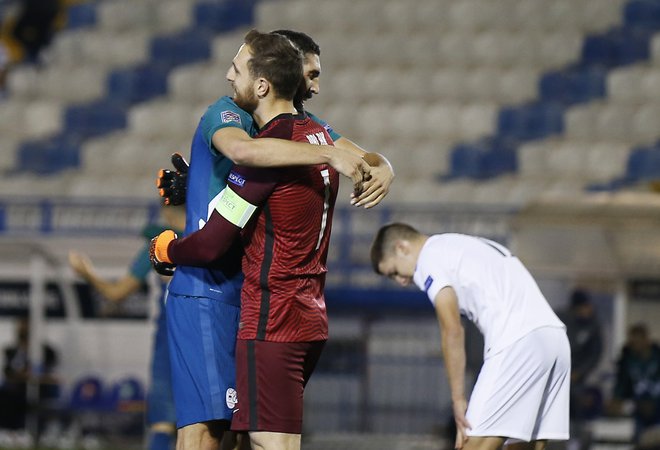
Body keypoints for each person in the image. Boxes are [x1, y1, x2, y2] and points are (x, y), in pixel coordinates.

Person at [153, 28, 394, 450]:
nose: (315, 85)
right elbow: (245, 154)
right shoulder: (229, 115)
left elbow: (360, 157)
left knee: (249, 435)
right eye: (311, 73)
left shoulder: (299, 133)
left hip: (259, 301)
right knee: (209, 435)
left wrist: (385, 166)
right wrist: (331, 155)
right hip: (210, 294)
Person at [369, 223, 570, 450]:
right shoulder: (461, 245)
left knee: (470, 444)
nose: (402, 281)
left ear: (402, 248)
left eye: (394, 272)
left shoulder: (429, 257)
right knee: (523, 446)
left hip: (519, 341)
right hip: (555, 340)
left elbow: (452, 329)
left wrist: (457, 399)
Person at [68, 202, 185, 450]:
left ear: (166, 208)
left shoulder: (159, 242)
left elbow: (117, 292)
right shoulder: (212, 236)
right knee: (212, 422)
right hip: (210, 331)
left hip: (171, 334)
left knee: (163, 422)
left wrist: (87, 273)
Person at [0, 317, 60, 434]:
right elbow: (8, 372)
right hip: (14, 390)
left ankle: (17, 431)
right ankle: (9, 431)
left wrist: (25, 374)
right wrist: (21, 374)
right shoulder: (11, 351)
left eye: (25, 326)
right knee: (5, 398)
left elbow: (48, 373)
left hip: (39, 389)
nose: (22, 329)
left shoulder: (46, 351)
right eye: (21, 326)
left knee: (11, 399)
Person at [609, 323, 660, 444]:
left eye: (638, 341)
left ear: (646, 340)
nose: (635, 345)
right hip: (639, 408)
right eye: (632, 341)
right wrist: (617, 399)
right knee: (640, 440)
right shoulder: (627, 360)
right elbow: (622, 383)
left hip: (658, 406)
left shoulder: (657, 357)